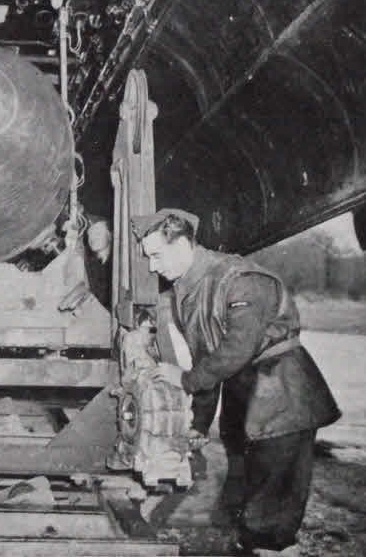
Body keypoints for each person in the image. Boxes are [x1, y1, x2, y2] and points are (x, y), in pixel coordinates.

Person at [132, 208, 340, 557]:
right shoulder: (191, 288)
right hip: (249, 397)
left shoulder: (240, 278)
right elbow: (208, 359)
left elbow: (236, 349)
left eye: (156, 255)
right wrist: (198, 423)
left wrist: (184, 380)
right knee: (248, 502)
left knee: (271, 513)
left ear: (182, 243)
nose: (153, 267)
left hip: (283, 397)